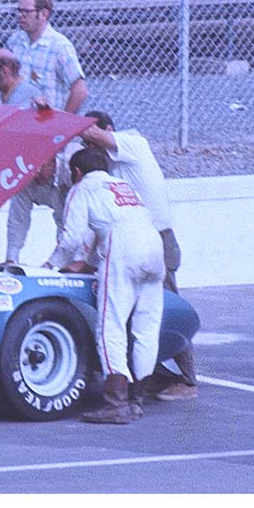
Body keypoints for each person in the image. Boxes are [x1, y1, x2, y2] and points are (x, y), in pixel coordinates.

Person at [79, 110, 196, 402]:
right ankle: (151, 376)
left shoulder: (132, 144)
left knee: (167, 308)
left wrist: (60, 118)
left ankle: (189, 380)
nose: (89, 149)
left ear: (107, 130)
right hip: (131, 241)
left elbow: (95, 135)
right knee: (138, 316)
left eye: (91, 142)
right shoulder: (107, 170)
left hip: (157, 238)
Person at [47, 148, 165, 424]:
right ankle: (137, 399)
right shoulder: (123, 187)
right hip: (154, 246)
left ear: (77, 172)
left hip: (123, 248)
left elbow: (72, 237)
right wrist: (89, 262)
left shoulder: (83, 187)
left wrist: (51, 265)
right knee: (146, 327)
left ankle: (116, 403)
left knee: (109, 325)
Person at [0, 48, 57, 265]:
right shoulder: (12, 95)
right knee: (18, 212)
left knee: (63, 214)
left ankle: (62, 261)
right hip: (26, 166)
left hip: (45, 169)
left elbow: (47, 129)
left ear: (4, 71)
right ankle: (12, 258)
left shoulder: (29, 95)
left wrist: (44, 162)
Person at [7, 0, 89, 114]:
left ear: (44, 14)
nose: (20, 15)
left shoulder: (60, 46)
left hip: (47, 122)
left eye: (26, 12)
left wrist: (64, 123)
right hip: (20, 122)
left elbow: (80, 90)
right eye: (18, 11)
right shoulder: (14, 42)